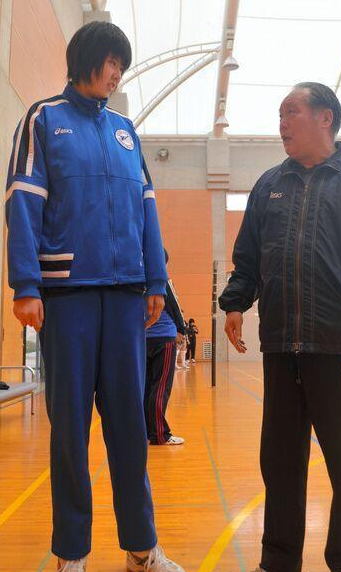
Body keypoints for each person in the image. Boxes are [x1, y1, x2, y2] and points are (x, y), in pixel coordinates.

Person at [6, 21, 184, 572]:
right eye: (112, 62)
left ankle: (141, 549)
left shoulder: (126, 131)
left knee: (130, 427)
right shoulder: (43, 119)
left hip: (127, 298)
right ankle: (71, 553)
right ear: (85, 58)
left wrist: (156, 281)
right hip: (68, 299)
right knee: (70, 431)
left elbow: (147, 210)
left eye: (122, 67)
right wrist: (25, 284)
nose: (117, 75)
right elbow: (22, 201)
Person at [219, 82, 341, 572]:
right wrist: (236, 303)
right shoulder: (269, 185)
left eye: (291, 112)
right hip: (282, 348)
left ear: (326, 117)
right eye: (279, 114)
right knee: (280, 467)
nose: (281, 123)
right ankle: (278, 561)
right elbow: (248, 257)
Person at [145, 249, 186, 445]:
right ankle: (160, 434)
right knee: (160, 387)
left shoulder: (136, 281)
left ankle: (147, 431)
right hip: (163, 338)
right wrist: (182, 330)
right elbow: (174, 307)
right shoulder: (161, 280)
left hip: (142, 339)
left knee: (146, 388)